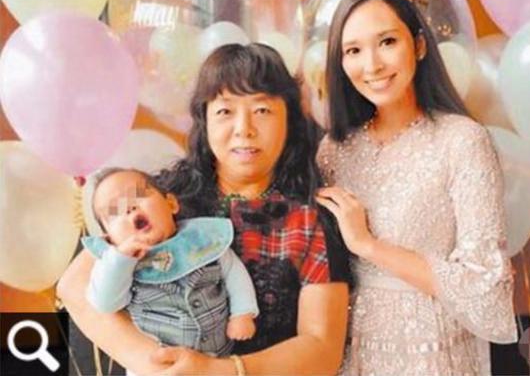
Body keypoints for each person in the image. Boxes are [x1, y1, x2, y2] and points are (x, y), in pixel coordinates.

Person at [57, 43, 351, 375]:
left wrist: (216, 371)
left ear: (290, 119)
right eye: (225, 111)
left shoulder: (310, 221)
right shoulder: (164, 197)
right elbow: (74, 286)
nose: (244, 128)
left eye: (262, 110)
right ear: (204, 119)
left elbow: (322, 349)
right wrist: (158, 365)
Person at [315, 0, 517, 375]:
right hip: (350, 354)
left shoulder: (462, 140)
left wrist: (367, 245)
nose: (372, 65)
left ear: (419, 46)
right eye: (353, 50)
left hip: (431, 355)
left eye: (387, 42)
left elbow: (486, 285)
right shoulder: (333, 150)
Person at [83, 167, 258, 357]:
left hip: (222, 357)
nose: (129, 209)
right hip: (163, 364)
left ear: (171, 204)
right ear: (109, 237)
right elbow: (105, 303)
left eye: (138, 195)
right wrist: (121, 259)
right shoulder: (115, 266)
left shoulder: (201, 239)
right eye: (115, 212)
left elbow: (234, 272)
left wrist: (243, 312)